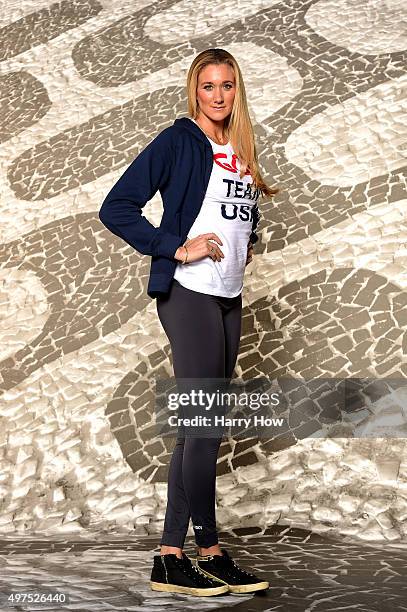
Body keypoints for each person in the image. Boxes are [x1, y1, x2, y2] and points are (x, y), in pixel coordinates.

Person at [99, 48, 279, 597]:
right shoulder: (179, 140)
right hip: (189, 294)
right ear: (193, 91)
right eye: (208, 86)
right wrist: (175, 248)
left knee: (198, 432)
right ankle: (212, 552)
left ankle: (169, 557)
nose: (218, 96)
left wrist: (247, 244)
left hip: (229, 296)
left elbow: (236, 211)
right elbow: (117, 207)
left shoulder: (241, 149)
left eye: (227, 85)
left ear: (237, 90)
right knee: (203, 431)